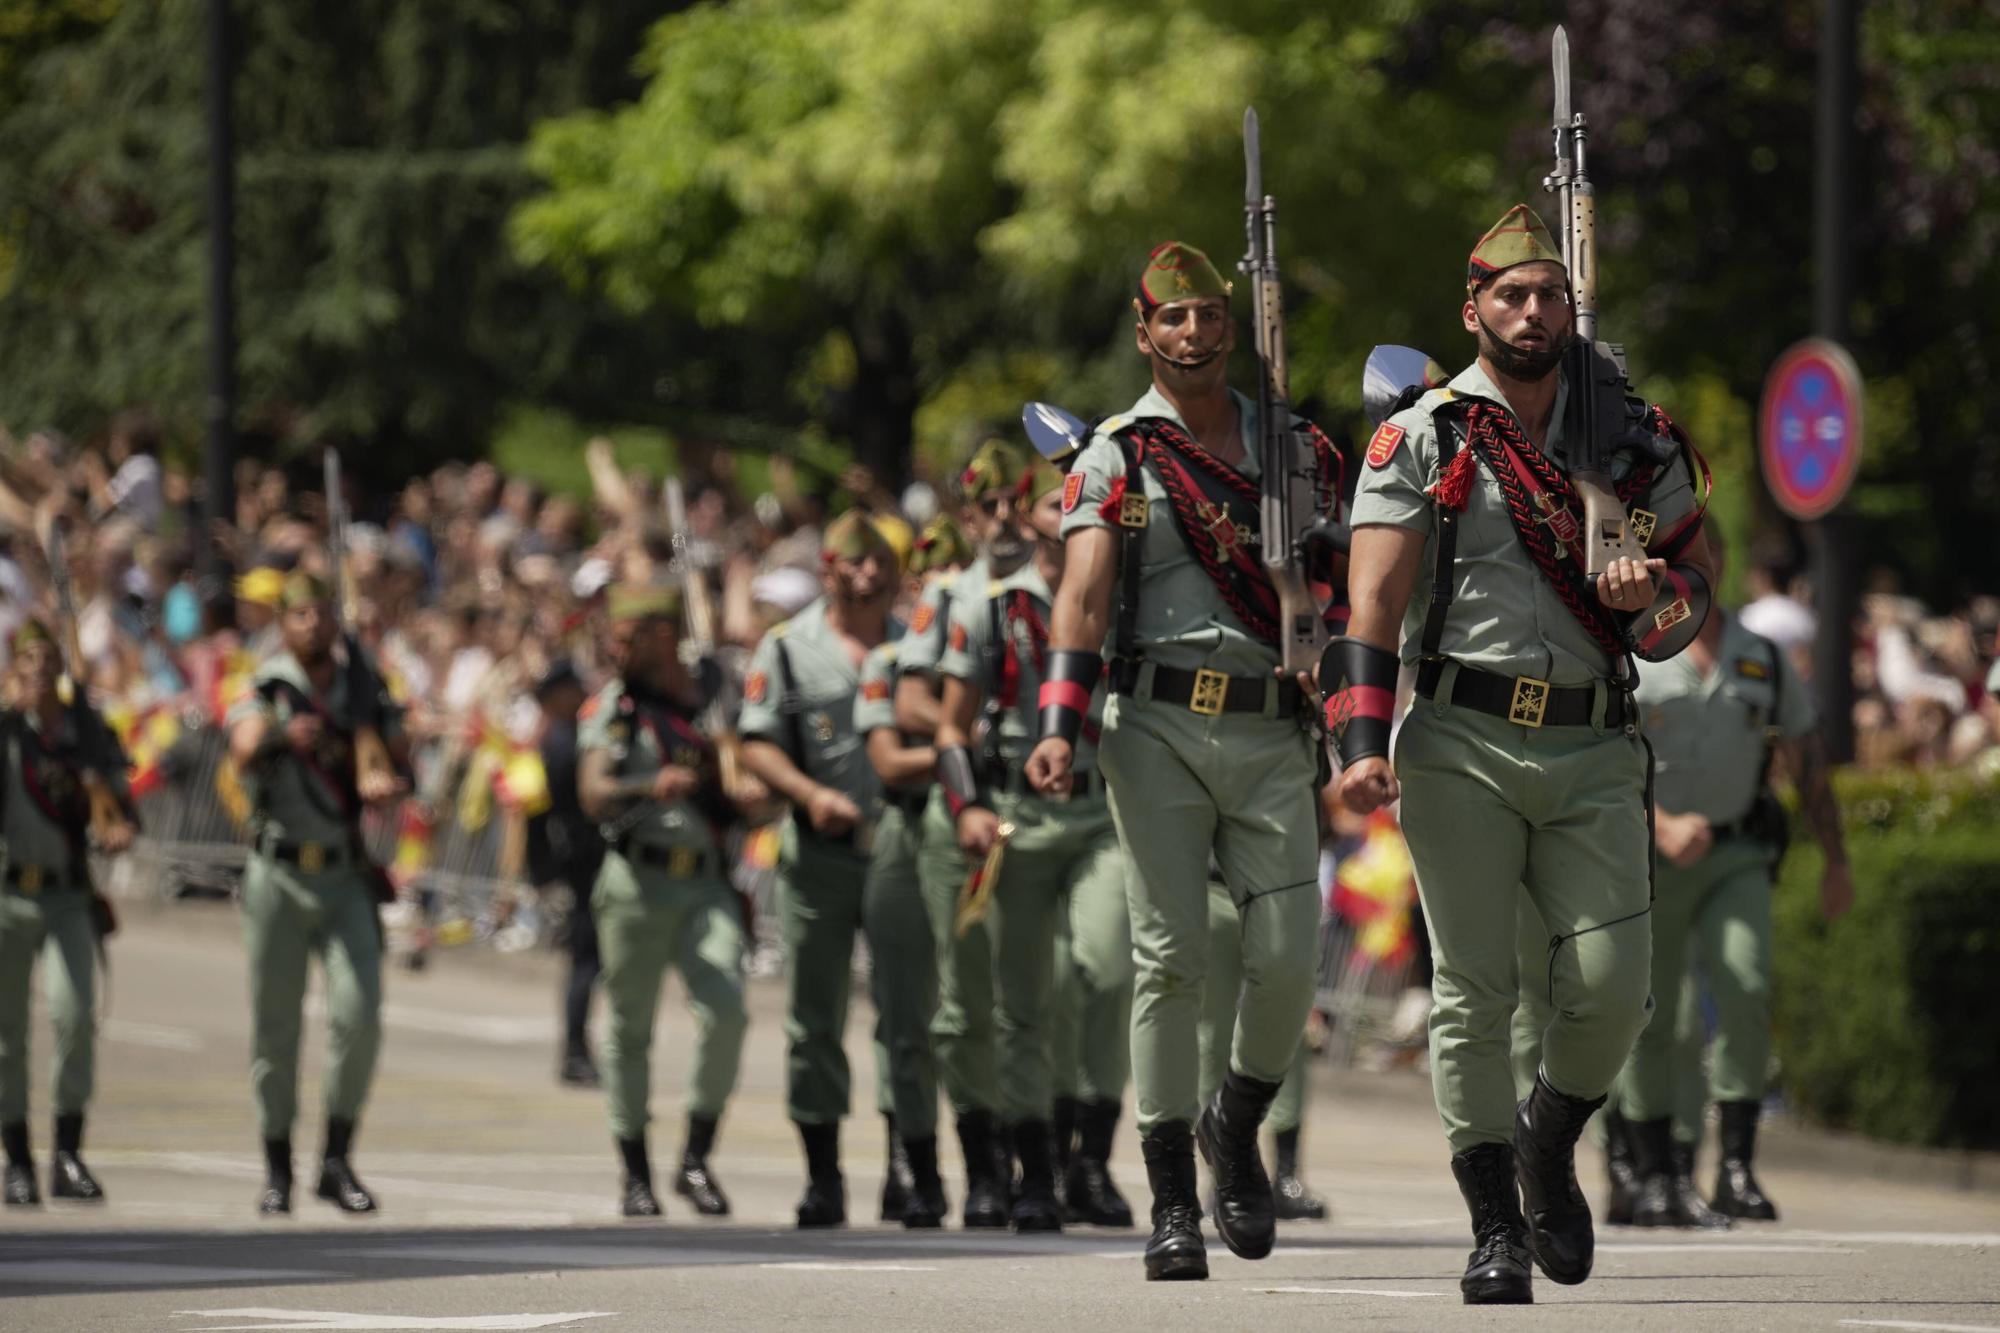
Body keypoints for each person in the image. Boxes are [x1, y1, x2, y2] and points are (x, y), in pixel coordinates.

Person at [1329, 203, 1715, 1304]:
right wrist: (1361, 743)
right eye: (1510, 294)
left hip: (1594, 739)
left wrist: (1652, 599)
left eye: (1548, 293)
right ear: (1473, 310)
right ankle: (1493, 1220)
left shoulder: (1633, 436)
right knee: (1473, 990)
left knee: (1611, 991)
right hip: (1460, 739)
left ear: (1568, 306)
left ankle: (1546, 1136)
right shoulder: (1424, 435)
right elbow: (1371, 602)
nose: (1531, 311)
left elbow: (1689, 598)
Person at [1028, 242, 1345, 1280]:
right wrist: (1057, 723)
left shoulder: (1292, 447)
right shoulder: (1115, 455)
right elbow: (1079, 596)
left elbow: (1347, 584)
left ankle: (1234, 1120)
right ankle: (1170, 1198)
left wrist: (1327, 644)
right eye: (1175, 319)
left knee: (1289, 956)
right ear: (1143, 331)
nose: (1195, 334)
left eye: (1211, 315)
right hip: (1154, 724)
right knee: (1168, 958)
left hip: (1268, 727)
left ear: (1236, 325)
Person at [1619, 528, 1852, 1224]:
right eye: (1681, 554)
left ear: (1725, 564)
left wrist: (1836, 859)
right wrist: (1660, 822)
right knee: (1651, 1014)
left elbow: (1808, 758)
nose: (1698, 567)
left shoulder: (1763, 657)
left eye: (1708, 553)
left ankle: (1737, 1166)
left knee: (1746, 986)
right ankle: (1654, 1169)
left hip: (1735, 852)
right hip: (1650, 855)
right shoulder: (1635, 646)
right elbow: (1604, 752)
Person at [936, 457, 1135, 1234]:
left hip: (1101, 812)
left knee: (1110, 968)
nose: (1073, 511)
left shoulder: (1126, 601)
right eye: (1058, 501)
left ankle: (1091, 1157)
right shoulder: (993, 608)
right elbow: (953, 728)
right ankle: (1035, 1168)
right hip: (1018, 815)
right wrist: (967, 808)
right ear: (1026, 518)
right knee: (1027, 999)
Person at [740, 512, 935, 1229]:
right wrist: (808, 793)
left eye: (878, 559)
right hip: (820, 851)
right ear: (827, 569)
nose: (865, 572)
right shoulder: (789, 648)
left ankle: (905, 1166)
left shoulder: (917, 641)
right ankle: (823, 1174)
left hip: (900, 849)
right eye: (851, 560)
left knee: (907, 1015)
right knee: (814, 1018)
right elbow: (755, 740)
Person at [225, 571, 408, 1215]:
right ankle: (278, 1167)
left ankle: (336, 1159)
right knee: (276, 1030)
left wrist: (382, 754)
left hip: (343, 873)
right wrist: (283, 735)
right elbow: (243, 745)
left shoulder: (363, 684)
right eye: (300, 614)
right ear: (284, 621)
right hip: (278, 873)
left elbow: (396, 756)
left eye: (322, 613)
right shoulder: (267, 684)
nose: (313, 624)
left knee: (359, 1016)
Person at [576, 585, 753, 1219]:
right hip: (637, 883)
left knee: (728, 1010)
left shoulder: (714, 696)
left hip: (706, 880)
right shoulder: (617, 707)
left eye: (625, 640)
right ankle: (635, 1172)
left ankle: (695, 1157)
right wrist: (652, 781)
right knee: (629, 1030)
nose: (613, 650)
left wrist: (758, 790)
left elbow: (743, 788)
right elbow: (593, 790)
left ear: (658, 636)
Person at [894, 455, 1025, 1229]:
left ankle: (1050, 1158)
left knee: (1048, 993)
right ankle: (983, 1164)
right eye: (989, 507)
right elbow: (913, 695)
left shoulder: (1057, 585)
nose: (1004, 518)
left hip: (1038, 801)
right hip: (966, 800)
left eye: (1016, 502)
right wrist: (964, 716)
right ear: (969, 519)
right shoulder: (949, 595)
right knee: (965, 999)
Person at [852, 518, 976, 1228]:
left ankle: (997, 1162)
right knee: (906, 1016)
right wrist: (965, 746)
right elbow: (890, 759)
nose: (937, 588)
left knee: (973, 1011)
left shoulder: (988, 646)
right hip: (908, 827)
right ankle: (914, 1164)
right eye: (926, 576)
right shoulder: (890, 658)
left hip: (974, 825)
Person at [0, 619, 134, 1206]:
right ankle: (17, 1159)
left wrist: (118, 824)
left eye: (47, 665)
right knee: (7, 1037)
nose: (38, 676)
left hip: (68, 894)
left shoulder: (85, 732)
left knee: (75, 1014)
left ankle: (68, 1152)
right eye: (26, 667)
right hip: (8, 894)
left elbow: (119, 800)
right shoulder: (6, 732)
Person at [1195, 871, 1326, 1223]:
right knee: (1211, 1039)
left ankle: (1287, 1175)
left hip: (1282, 882)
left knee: (1288, 1023)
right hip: (1210, 883)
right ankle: (1223, 1176)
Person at [525, 660, 606, 1089]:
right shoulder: (559, 742)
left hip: (580, 860)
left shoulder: (563, 736)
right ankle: (575, 1051)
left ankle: (577, 1050)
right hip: (581, 861)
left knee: (589, 960)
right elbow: (541, 815)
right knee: (586, 960)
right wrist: (546, 873)